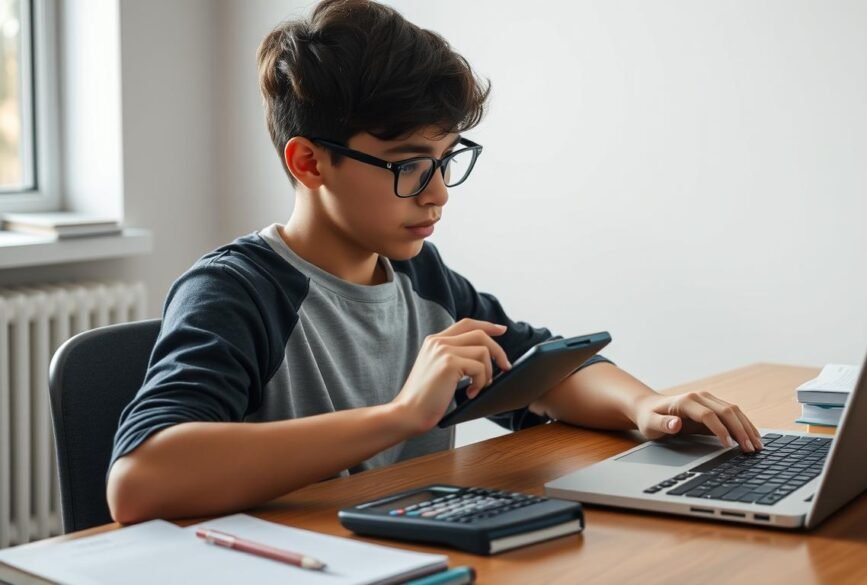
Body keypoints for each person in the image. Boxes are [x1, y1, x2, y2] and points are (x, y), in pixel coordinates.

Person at [106, 0, 762, 524]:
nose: (439, 191)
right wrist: (400, 416)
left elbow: (542, 369)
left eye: (446, 159)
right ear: (309, 161)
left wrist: (645, 406)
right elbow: (138, 481)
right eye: (409, 165)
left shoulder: (420, 275)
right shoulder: (238, 291)